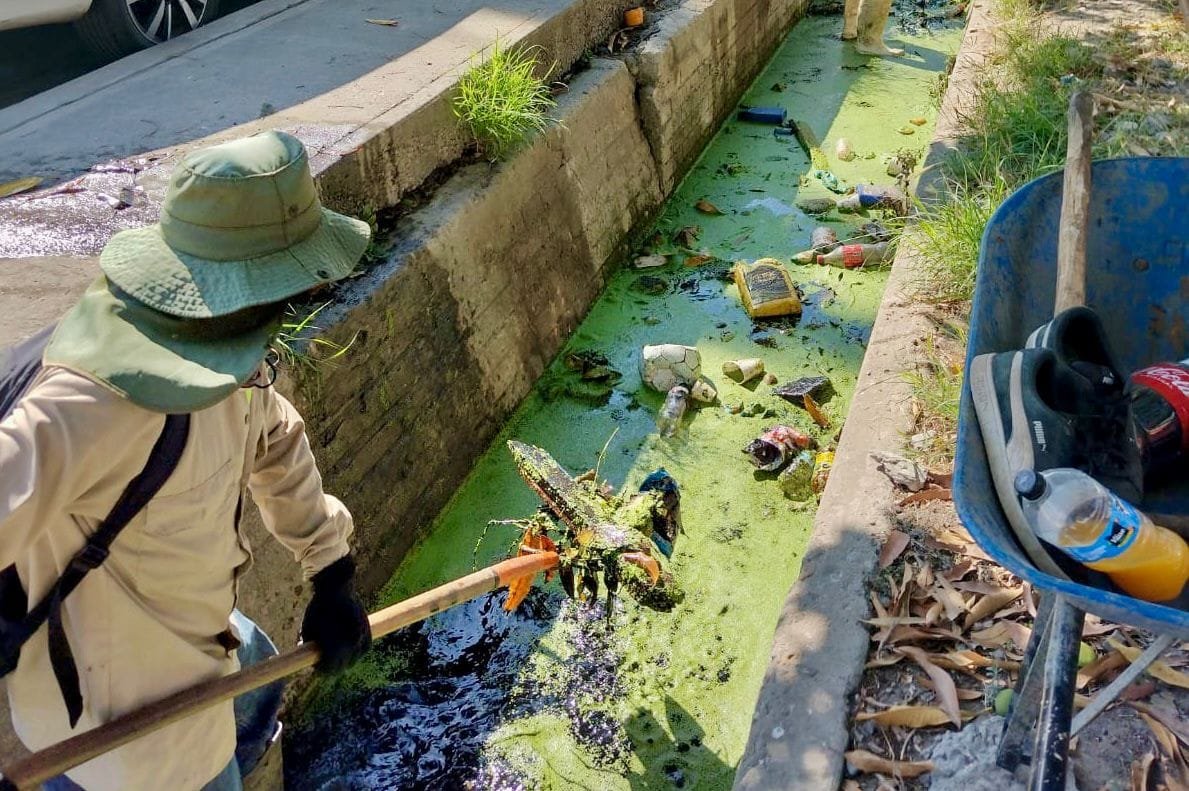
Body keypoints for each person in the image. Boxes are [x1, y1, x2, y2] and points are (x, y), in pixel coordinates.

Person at [0, 131, 374, 790]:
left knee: (256, 674)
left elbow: (273, 432)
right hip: (129, 738)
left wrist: (330, 568)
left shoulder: (226, 345)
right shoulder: (91, 403)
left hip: (202, 637)